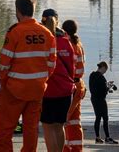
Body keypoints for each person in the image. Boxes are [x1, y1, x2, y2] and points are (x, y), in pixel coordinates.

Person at [0, 0, 56, 152]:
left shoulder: (15, 32)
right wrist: (41, 80)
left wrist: (5, 84)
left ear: (18, 11)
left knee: (4, 131)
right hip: (36, 90)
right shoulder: (47, 34)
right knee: (31, 131)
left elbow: (4, 64)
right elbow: (51, 65)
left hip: (14, 90)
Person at [41, 9, 75, 152]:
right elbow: (72, 69)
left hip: (47, 91)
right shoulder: (66, 42)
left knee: (48, 127)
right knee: (59, 126)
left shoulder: (43, 41)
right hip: (65, 91)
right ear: (58, 21)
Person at [62, 20, 87, 151]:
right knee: (75, 120)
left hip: (70, 86)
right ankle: (77, 148)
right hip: (79, 84)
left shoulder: (67, 46)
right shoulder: (79, 45)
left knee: (65, 120)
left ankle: (67, 148)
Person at [88, 61, 118, 144]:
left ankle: (97, 138)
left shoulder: (92, 75)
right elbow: (104, 90)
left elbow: (96, 87)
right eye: (105, 70)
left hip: (94, 98)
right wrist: (110, 88)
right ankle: (107, 138)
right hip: (101, 99)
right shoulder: (101, 77)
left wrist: (108, 86)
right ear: (103, 68)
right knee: (105, 118)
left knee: (98, 117)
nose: (105, 72)